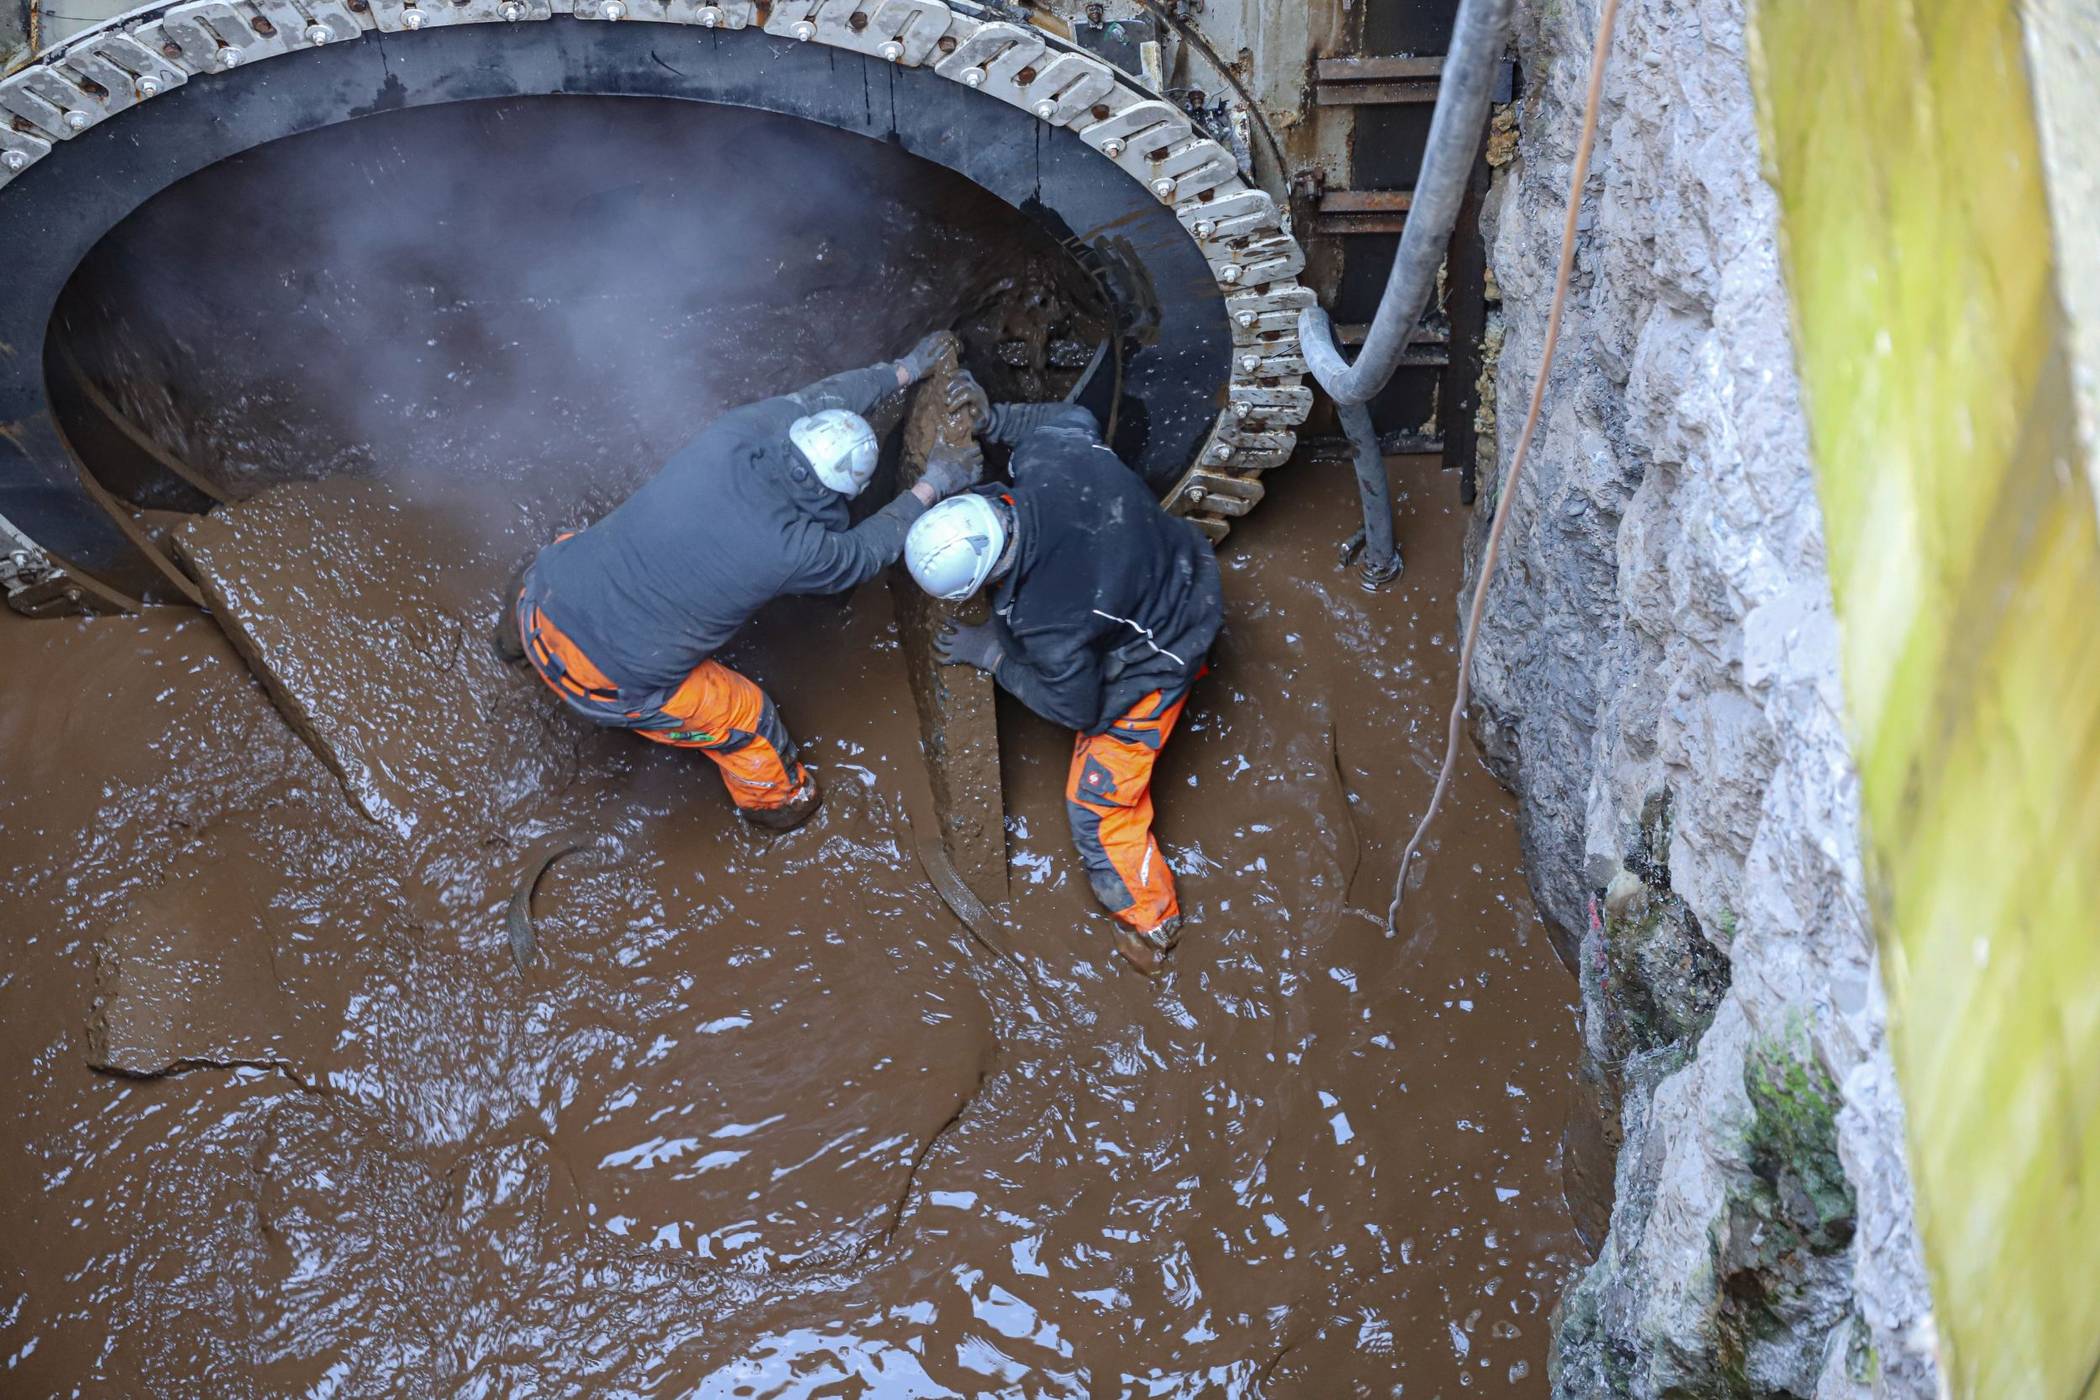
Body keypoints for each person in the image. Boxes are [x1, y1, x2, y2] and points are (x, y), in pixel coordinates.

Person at [501, 335, 980, 831]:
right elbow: (864, 552)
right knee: (748, 722)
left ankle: (511, 644)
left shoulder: (735, 435)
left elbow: (822, 397)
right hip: (607, 683)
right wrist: (934, 484)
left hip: (541, 599)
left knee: (576, 551)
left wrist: (903, 369)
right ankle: (781, 806)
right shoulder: (796, 548)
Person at [902, 391, 1223, 975]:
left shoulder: (1046, 617)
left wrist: (995, 657)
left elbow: (1076, 708)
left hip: (1167, 647)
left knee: (1096, 809)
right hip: (1183, 567)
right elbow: (1070, 415)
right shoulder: (1052, 459)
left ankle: (1153, 925)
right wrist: (996, 416)